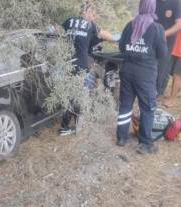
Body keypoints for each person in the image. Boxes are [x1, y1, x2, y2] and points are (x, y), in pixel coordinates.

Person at [117, 0, 167, 154]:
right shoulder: (157, 28)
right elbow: (162, 54)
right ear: (153, 8)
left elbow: (121, 47)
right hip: (145, 75)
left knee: (125, 105)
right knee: (147, 108)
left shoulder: (130, 25)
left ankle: (121, 138)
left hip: (127, 71)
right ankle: (145, 144)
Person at [59, 0, 115, 136]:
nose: (93, 17)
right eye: (93, 14)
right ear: (86, 12)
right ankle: (76, 127)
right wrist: (113, 38)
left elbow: (57, 33)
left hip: (66, 63)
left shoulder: (68, 21)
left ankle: (65, 125)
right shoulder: (91, 25)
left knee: (68, 93)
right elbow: (108, 36)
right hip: (81, 64)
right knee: (80, 95)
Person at [155, 0, 181, 99]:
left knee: (162, 68)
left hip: (167, 41)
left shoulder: (176, 2)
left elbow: (179, 25)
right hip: (152, 38)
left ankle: (158, 93)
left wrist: (163, 34)